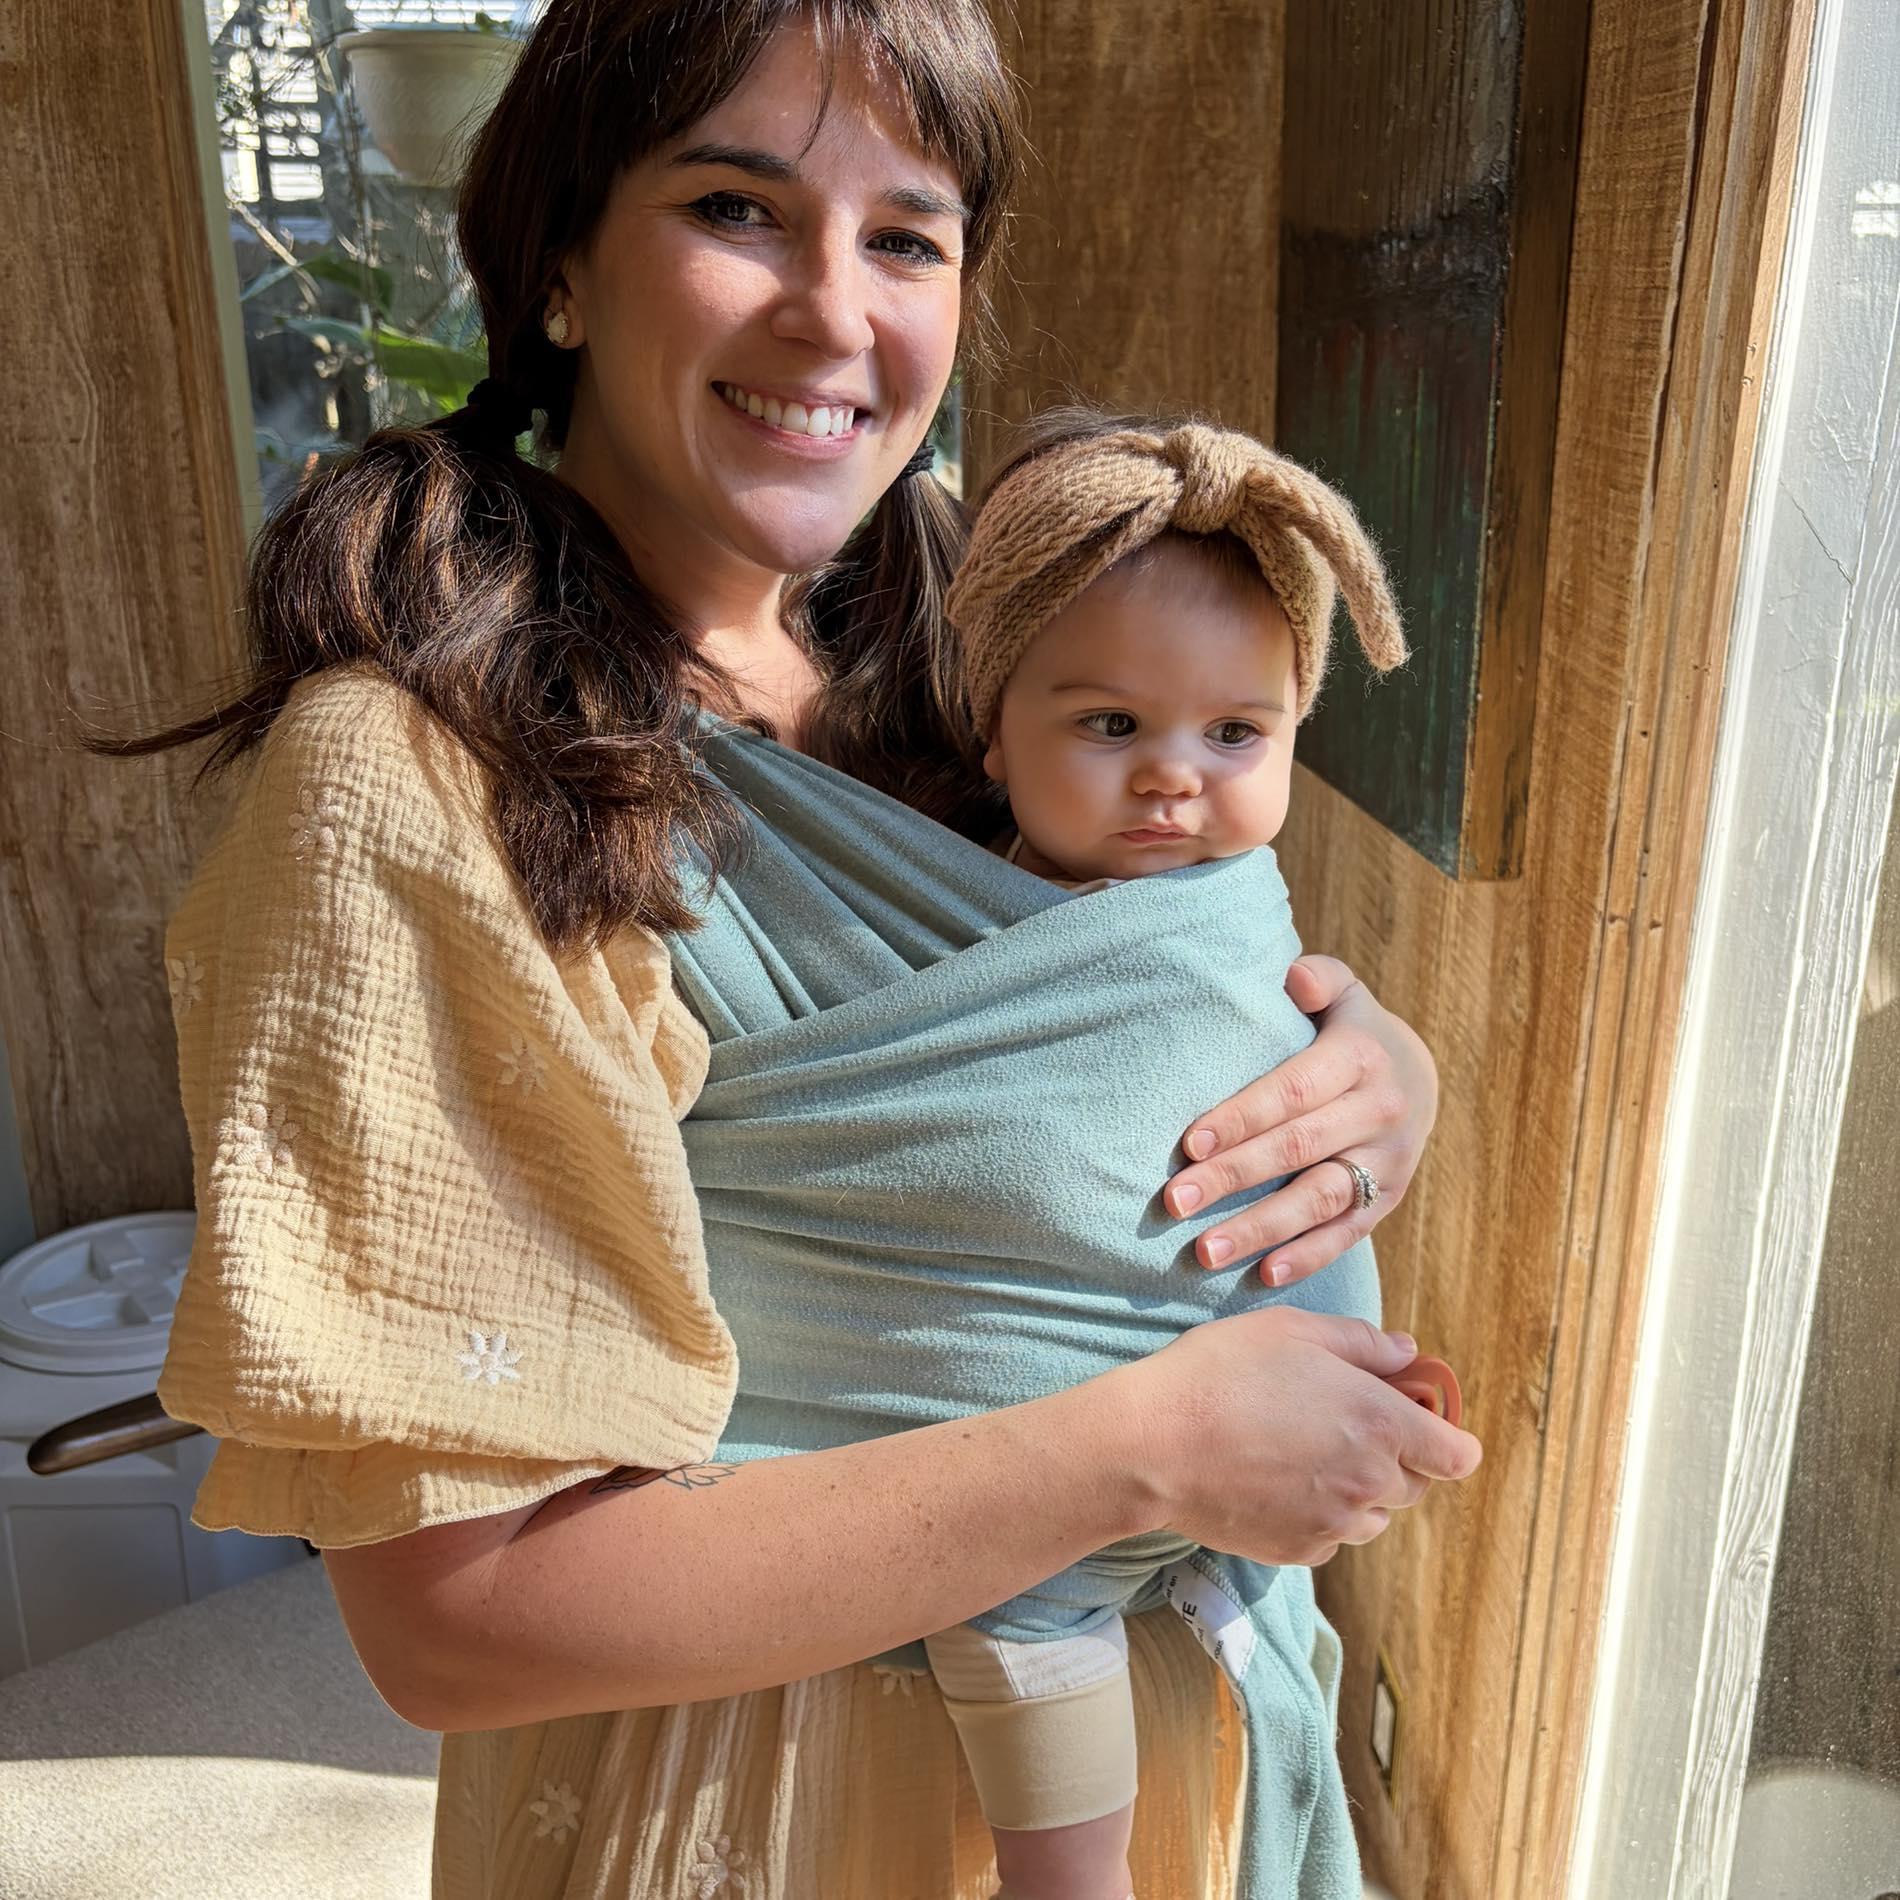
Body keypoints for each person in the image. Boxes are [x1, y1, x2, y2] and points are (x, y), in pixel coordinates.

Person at [140, 5, 1481, 1895]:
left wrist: (1366, 1065)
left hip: (1193, 1726)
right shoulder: (412, 789)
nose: (835, 312)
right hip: (785, 1803)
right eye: (736, 208)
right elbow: (455, 1625)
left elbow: (1118, 982)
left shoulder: (965, 646)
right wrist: (1139, 1455)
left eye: (907, 237)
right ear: (558, 264)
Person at [878, 408, 1415, 1900]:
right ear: (996, 727)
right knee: (1023, 1606)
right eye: (1111, 726)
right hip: (1039, 1428)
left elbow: (1328, 1098)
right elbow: (936, 1146)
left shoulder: (1243, 919)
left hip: (1265, 1396)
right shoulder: (939, 916)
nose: (1176, 778)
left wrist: (1395, 1066)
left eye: (1235, 734)